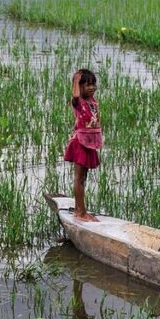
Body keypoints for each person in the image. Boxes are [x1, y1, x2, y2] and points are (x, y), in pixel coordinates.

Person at [64, 69, 102, 221]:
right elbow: (74, 95)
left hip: (89, 143)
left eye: (93, 84)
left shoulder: (92, 101)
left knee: (83, 177)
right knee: (79, 178)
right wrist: (75, 80)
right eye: (87, 85)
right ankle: (81, 212)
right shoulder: (78, 102)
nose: (92, 87)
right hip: (80, 143)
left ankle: (79, 209)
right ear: (79, 87)